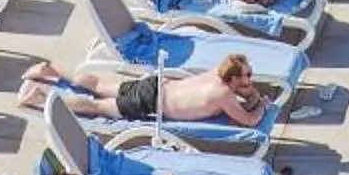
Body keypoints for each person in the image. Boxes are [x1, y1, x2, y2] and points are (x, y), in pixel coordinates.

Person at [21, 55, 270, 129]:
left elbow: (245, 92)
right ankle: (42, 98)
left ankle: (51, 70)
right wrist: (261, 104)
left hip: (155, 85)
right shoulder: (224, 96)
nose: (251, 78)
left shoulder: (218, 71)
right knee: (97, 106)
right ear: (234, 78)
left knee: (98, 85)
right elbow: (249, 120)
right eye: (247, 75)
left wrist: (250, 92)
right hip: (149, 103)